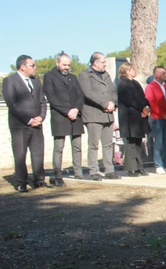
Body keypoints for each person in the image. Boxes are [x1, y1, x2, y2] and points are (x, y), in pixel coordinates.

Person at [3, 55, 50, 192]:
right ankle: (21, 182)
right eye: (32, 65)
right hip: (20, 125)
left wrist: (41, 117)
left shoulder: (36, 82)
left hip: (37, 124)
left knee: (38, 153)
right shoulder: (10, 81)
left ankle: (39, 180)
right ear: (23, 66)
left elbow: (42, 101)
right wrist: (29, 120)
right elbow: (12, 104)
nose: (35, 68)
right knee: (20, 154)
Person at [43, 52, 85, 186]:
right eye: (64, 64)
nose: (67, 67)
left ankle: (78, 171)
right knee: (59, 147)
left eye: (68, 65)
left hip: (75, 116)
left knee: (77, 145)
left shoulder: (73, 77)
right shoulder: (49, 77)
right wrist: (67, 111)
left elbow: (80, 96)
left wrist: (76, 109)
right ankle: (58, 175)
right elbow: (51, 97)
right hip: (60, 116)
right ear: (57, 63)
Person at [78, 52, 120, 181]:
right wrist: (104, 104)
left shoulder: (106, 75)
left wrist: (113, 103)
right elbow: (88, 93)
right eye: (103, 61)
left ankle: (109, 170)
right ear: (95, 63)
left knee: (108, 144)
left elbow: (113, 91)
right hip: (94, 115)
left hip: (108, 115)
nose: (105, 64)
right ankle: (94, 171)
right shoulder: (85, 75)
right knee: (94, 144)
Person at [117, 62, 151, 177]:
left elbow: (143, 98)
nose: (134, 70)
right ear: (126, 71)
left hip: (139, 117)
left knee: (138, 143)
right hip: (129, 118)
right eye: (132, 69)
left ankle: (139, 167)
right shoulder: (122, 84)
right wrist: (142, 108)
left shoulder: (135, 83)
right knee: (131, 143)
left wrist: (146, 107)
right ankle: (131, 168)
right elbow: (129, 100)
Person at [145, 66, 166, 174]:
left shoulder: (165, 87)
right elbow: (151, 103)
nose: (165, 75)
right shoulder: (150, 87)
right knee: (159, 142)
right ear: (156, 74)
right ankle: (158, 164)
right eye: (163, 73)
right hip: (157, 118)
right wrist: (162, 114)